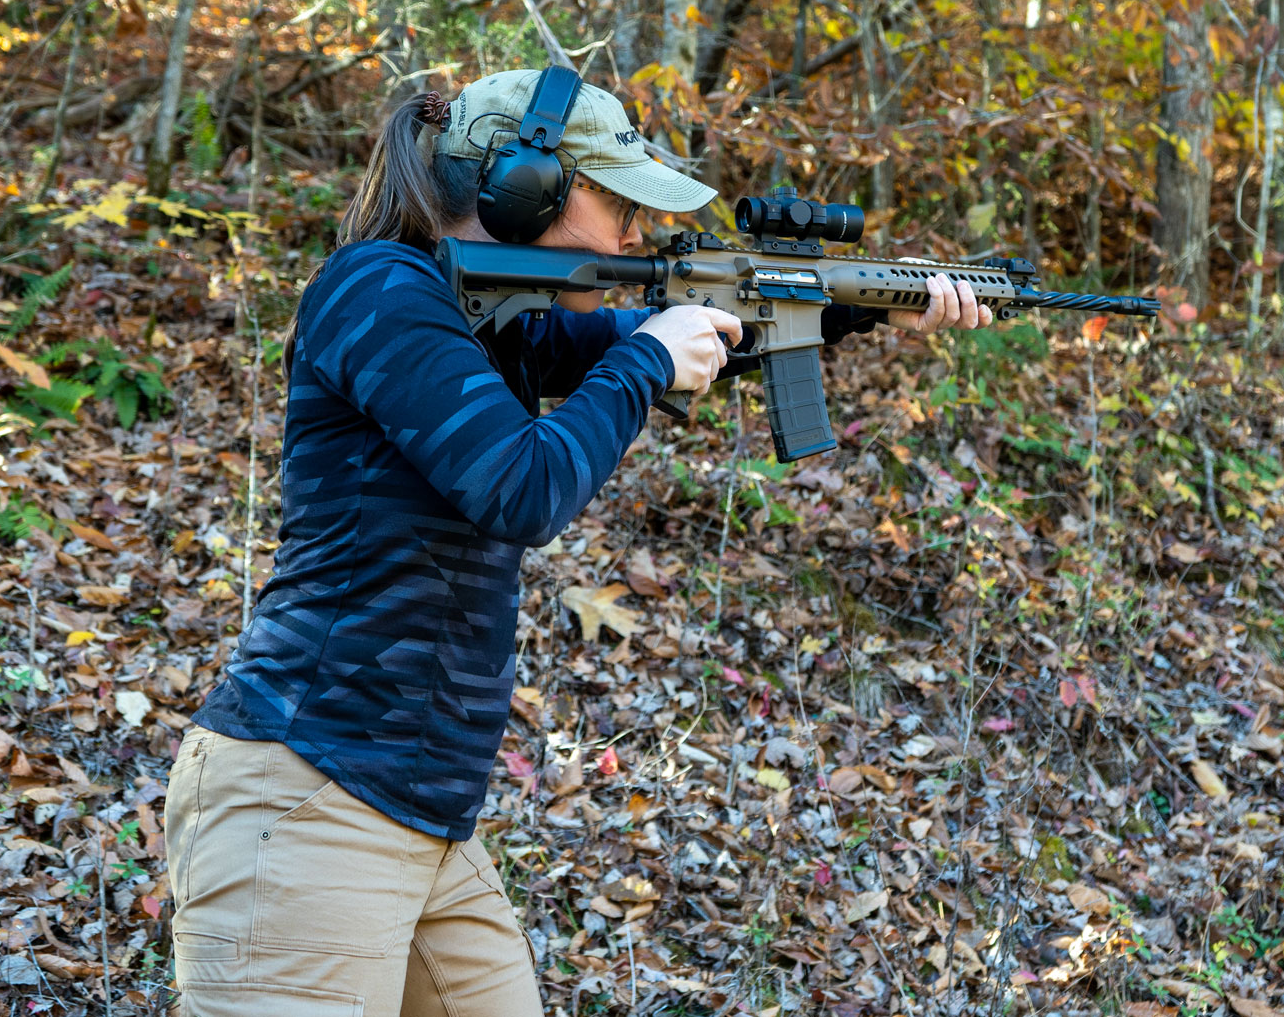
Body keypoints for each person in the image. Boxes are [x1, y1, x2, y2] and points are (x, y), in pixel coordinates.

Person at [163, 69, 993, 1017]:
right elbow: (521, 486)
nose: (638, 231)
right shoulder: (378, 291)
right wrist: (648, 358)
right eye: (618, 201)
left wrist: (851, 304)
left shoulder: (501, 324)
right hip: (309, 794)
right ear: (525, 194)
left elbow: (689, 333)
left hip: (424, 810)